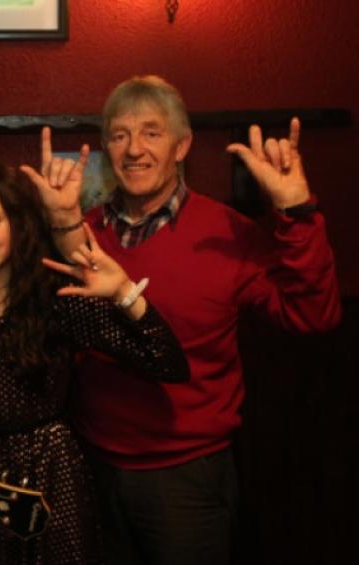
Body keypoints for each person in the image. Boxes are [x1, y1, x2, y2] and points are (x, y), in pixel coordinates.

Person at [30, 75, 342, 565]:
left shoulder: (228, 233)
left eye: (151, 133)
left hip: (187, 479)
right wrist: (58, 223)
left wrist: (297, 211)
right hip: (92, 465)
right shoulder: (82, 232)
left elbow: (313, 315)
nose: (134, 149)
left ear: (182, 146)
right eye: (120, 135)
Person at [0, 159, 190, 565]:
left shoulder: (56, 300)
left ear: (18, 224)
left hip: (53, 479)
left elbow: (167, 362)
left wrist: (123, 291)